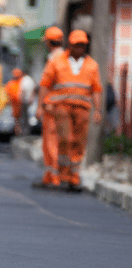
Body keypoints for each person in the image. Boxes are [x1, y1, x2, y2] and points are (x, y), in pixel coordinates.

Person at [39, 30, 103, 191]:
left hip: (82, 108)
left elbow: (96, 89)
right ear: (70, 45)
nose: (80, 48)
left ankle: (73, 175)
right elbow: (45, 84)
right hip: (62, 107)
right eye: (77, 45)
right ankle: (62, 173)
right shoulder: (57, 61)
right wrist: (42, 105)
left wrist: (98, 110)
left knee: (79, 142)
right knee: (65, 139)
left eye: (82, 45)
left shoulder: (92, 65)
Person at [33, 26, 65, 189]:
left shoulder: (53, 60)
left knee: (51, 142)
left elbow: (45, 85)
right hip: (65, 108)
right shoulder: (67, 59)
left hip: (52, 107)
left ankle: (53, 176)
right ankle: (54, 175)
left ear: (48, 43)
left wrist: (39, 107)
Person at [5, 68, 23, 136]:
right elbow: (8, 92)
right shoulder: (11, 83)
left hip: (21, 103)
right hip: (14, 103)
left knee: (20, 117)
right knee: (16, 118)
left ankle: (19, 131)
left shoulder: (21, 82)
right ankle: (16, 131)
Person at [19, 70, 36, 135]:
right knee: (29, 116)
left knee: (24, 117)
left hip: (25, 101)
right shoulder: (30, 80)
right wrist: (32, 97)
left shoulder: (24, 80)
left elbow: (23, 90)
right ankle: (28, 131)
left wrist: (21, 99)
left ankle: (25, 132)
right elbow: (34, 89)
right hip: (30, 100)